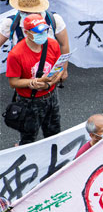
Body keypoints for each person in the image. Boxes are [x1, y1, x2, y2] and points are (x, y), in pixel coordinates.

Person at [6, 14, 64, 144]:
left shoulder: (53, 44)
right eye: (38, 32)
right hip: (29, 101)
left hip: (51, 96)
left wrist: (48, 85)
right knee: (28, 137)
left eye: (45, 30)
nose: (43, 34)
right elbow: (13, 82)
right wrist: (32, 82)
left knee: (54, 133)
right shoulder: (16, 54)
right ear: (27, 33)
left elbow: (59, 69)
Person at [0, 0, 69, 58]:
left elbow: (64, 45)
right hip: (21, 63)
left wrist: (63, 65)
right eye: (24, 12)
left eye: (32, 12)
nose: (28, 14)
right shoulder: (10, 22)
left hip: (49, 62)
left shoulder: (54, 19)